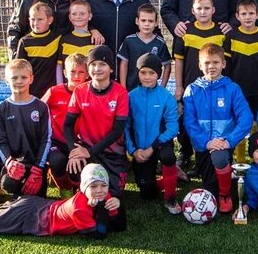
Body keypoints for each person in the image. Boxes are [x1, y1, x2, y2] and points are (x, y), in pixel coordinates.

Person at [181, 43, 253, 214]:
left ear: (223, 64)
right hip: (203, 146)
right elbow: (189, 122)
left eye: (215, 62)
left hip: (223, 145)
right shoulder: (192, 90)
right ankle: (227, 176)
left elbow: (246, 119)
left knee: (219, 159)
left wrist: (229, 141)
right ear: (200, 65)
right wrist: (206, 142)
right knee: (209, 189)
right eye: (207, 63)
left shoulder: (232, 89)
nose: (211, 66)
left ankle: (225, 194)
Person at [63, 46, 130, 197]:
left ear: (111, 68)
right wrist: (74, 152)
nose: (97, 68)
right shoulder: (80, 91)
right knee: (76, 172)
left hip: (112, 153)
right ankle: (78, 190)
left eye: (102, 64)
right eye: (93, 64)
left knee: (114, 196)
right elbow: (67, 126)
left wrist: (90, 151)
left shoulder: (120, 93)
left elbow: (117, 131)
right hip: (87, 150)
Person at [172, 0, 227, 171]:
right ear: (193, 10)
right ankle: (185, 153)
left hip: (214, 89)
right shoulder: (184, 31)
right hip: (191, 88)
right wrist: (179, 85)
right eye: (199, 8)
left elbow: (225, 62)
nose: (203, 12)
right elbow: (179, 60)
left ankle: (205, 158)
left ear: (213, 10)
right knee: (187, 121)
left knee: (208, 122)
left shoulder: (221, 32)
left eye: (206, 8)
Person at [126, 54, 181, 215]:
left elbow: (172, 127)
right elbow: (125, 127)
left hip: (159, 144)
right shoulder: (130, 97)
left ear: (158, 74)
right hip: (139, 149)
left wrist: (153, 147)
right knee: (147, 193)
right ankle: (172, 176)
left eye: (152, 73)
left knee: (168, 157)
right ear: (138, 73)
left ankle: (170, 198)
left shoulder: (166, 96)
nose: (147, 77)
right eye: (143, 72)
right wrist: (133, 150)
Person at [0, 59, 52, 199]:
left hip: (36, 165)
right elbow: (1, 141)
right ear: (6, 80)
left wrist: (38, 168)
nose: (19, 81)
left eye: (24, 77)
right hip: (16, 165)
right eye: (14, 78)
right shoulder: (2, 109)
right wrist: (9, 162)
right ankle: (15, 191)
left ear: (31, 79)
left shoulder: (41, 106)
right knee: (9, 183)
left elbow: (46, 139)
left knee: (37, 199)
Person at [42, 53, 90, 197]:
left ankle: (79, 187)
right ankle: (65, 188)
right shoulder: (54, 92)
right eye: (72, 71)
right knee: (58, 162)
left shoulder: (90, 93)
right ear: (65, 73)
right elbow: (38, 110)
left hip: (79, 143)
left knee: (78, 169)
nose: (76, 75)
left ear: (87, 74)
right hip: (57, 142)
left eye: (81, 72)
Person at [223, 0, 258, 116]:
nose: (248, 17)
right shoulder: (231, 36)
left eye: (251, 13)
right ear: (237, 16)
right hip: (237, 89)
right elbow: (227, 67)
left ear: (257, 15)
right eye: (243, 14)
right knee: (238, 119)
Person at [117, 3, 172, 92]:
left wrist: (162, 88)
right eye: (143, 20)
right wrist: (123, 88)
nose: (147, 24)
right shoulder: (129, 40)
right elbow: (124, 64)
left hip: (152, 91)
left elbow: (167, 65)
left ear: (156, 23)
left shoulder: (160, 43)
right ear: (137, 21)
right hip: (131, 89)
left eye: (150, 21)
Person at [15, 2, 61, 99]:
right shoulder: (24, 42)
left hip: (51, 90)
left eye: (40, 19)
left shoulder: (58, 38)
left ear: (50, 20)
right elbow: (18, 68)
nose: (35, 23)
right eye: (32, 19)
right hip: (31, 90)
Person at [56, 0, 94, 84]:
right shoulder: (64, 40)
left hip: (89, 89)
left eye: (82, 14)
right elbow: (59, 66)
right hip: (68, 88)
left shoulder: (96, 40)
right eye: (74, 14)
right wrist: (60, 86)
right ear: (69, 17)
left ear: (90, 16)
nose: (78, 17)